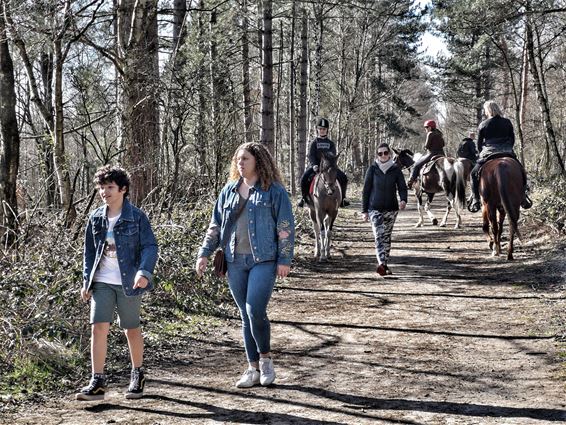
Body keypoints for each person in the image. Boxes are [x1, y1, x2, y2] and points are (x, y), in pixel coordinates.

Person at [195, 142, 295, 388]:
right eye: (238, 160)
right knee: (244, 315)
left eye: (246, 159)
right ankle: (252, 368)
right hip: (234, 261)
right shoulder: (228, 191)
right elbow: (215, 225)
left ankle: (266, 360)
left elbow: (285, 229)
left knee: (254, 311)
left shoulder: (274, 191)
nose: (240, 164)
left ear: (258, 161)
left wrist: (284, 259)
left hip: (264, 260)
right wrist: (204, 253)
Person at [76, 165, 158, 401]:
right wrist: (86, 281)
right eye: (102, 188)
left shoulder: (137, 217)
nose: (105, 192)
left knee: (131, 329)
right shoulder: (96, 218)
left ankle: (138, 374)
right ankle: (98, 380)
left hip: (129, 283)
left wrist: (144, 272)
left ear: (123, 189)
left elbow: (150, 246)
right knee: (98, 327)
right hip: (101, 281)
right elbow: (89, 253)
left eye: (110, 187)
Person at [469, 100, 532, 213]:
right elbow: (512, 139)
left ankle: (475, 199)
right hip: (507, 150)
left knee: (473, 174)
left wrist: (481, 153)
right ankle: (523, 196)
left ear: (488, 110)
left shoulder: (483, 124)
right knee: (521, 170)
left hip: (489, 152)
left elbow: (479, 144)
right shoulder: (507, 122)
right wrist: (507, 148)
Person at [362, 143, 408, 276]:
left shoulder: (396, 170)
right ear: (377, 155)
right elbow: (366, 191)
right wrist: (364, 211)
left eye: (385, 153)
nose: (383, 155)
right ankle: (381, 262)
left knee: (387, 237)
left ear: (389, 154)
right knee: (379, 235)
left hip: (391, 209)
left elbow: (402, 187)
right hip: (374, 208)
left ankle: (385, 264)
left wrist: (403, 200)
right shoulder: (372, 169)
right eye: (380, 153)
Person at [298, 117, 350, 208]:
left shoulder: (331, 143)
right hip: (316, 167)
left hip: (329, 167)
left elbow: (333, 155)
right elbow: (311, 155)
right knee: (304, 178)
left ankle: (343, 199)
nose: (322, 131)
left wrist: (329, 164)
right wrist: (314, 165)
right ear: (317, 130)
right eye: (320, 129)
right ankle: (303, 198)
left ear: (327, 130)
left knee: (344, 177)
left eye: (324, 129)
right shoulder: (314, 143)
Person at [407, 120, 446, 188]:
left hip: (431, 154)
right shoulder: (440, 134)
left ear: (430, 127)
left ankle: (411, 181)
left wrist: (424, 147)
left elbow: (427, 146)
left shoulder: (430, 133)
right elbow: (443, 144)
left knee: (416, 165)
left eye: (426, 127)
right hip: (442, 154)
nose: (425, 129)